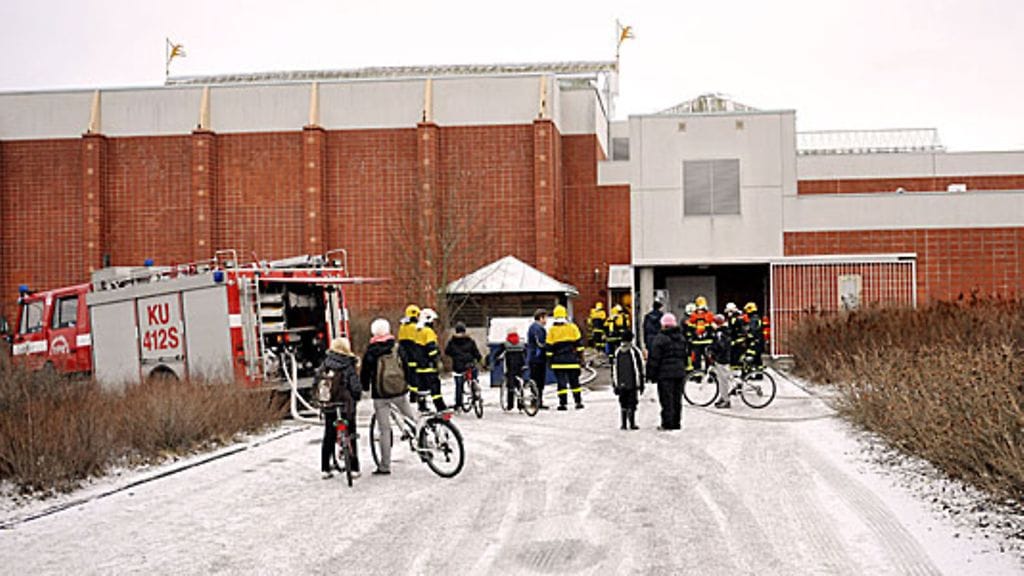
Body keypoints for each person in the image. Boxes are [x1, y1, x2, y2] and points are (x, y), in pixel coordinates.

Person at [360, 318, 418, 475]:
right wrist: (411, 385)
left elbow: (365, 373)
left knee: (384, 430)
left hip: (381, 395)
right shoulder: (397, 347)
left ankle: (384, 466)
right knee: (412, 420)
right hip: (400, 390)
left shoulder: (371, 351)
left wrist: (365, 388)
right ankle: (423, 446)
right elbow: (406, 366)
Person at [318, 337, 361, 479]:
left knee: (329, 435)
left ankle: (325, 468)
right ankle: (354, 468)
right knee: (351, 434)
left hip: (329, 405)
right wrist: (356, 397)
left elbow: (317, 384)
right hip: (346, 406)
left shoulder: (325, 364)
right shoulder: (348, 364)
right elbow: (355, 387)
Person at [646, 313, 689, 430]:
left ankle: (667, 423)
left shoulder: (660, 339)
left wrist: (651, 374)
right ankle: (676, 422)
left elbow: (654, 358)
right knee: (677, 399)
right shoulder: (681, 338)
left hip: (664, 374)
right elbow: (684, 355)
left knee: (666, 399)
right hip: (679, 373)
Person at [546, 305, 586, 410]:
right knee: (575, 382)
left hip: (558, 362)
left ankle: (563, 404)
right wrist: (581, 359)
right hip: (572, 360)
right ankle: (578, 402)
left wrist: (549, 361)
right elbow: (579, 345)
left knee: (561, 383)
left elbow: (549, 348)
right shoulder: (572, 328)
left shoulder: (552, 330)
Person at [444, 322, 482, 411]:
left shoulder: (452, 341)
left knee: (459, 386)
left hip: (458, 366)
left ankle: (459, 404)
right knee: (473, 374)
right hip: (470, 364)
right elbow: (476, 352)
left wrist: (454, 355)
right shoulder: (469, 340)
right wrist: (479, 359)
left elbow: (447, 352)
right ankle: (475, 385)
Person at [414, 307, 447, 412]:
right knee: (435, 388)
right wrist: (436, 360)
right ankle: (440, 406)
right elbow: (431, 348)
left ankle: (422, 406)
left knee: (422, 388)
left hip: (420, 366)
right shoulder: (428, 332)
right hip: (429, 366)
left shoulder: (418, 331)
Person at [612, 329, 645, 430]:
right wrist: (642, 383)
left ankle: (623, 423)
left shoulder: (617, 352)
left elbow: (614, 369)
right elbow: (640, 367)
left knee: (623, 402)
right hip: (633, 383)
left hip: (621, 383)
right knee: (632, 402)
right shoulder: (634, 351)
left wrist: (615, 384)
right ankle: (632, 422)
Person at [398, 304, 425, 411]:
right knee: (417, 378)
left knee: (409, 376)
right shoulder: (416, 328)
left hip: (406, 356)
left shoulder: (403, 327)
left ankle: (411, 395)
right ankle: (416, 398)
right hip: (416, 356)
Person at [494, 327, 527, 410]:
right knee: (520, 384)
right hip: (520, 365)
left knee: (510, 385)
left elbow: (498, 354)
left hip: (510, 366)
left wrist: (496, 361)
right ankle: (521, 404)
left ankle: (510, 405)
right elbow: (526, 353)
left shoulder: (506, 344)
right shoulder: (521, 343)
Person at [709, 314, 734, 409]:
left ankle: (726, 400)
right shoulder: (723, 331)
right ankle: (723, 397)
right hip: (723, 357)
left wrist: (712, 350)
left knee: (723, 381)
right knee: (722, 379)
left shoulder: (720, 333)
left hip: (722, 358)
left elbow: (720, 346)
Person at [526, 308, 549, 409]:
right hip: (537, 358)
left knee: (535, 381)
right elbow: (540, 343)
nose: (546, 320)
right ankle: (536, 401)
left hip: (534, 357)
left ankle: (537, 400)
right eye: (545, 318)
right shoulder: (538, 328)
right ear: (541, 317)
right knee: (538, 381)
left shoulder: (533, 327)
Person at [687, 296, 715, 372]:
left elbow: (689, 328)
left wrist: (690, 337)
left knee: (698, 359)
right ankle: (708, 374)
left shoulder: (693, 316)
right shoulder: (709, 315)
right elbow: (712, 327)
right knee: (707, 358)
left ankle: (699, 375)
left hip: (697, 342)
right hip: (706, 341)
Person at [743, 302, 765, 374]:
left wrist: (747, 336)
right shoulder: (757, 318)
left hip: (755, 342)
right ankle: (758, 373)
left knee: (750, 356)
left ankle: (749, 373)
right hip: (758, 341)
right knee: (757, 358)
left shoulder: (753, 319)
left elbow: (753, 331)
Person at [724, 302, 746, 368]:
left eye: (729, 312)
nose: (728, 313)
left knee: (736, 358)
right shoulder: (737, 317)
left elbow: (733, 330)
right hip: (736, 341)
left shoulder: (736, 318)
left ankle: (737, 374)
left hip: (738, 342)